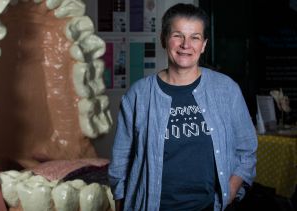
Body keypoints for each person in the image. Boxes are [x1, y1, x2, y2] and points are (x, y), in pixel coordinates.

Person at [108, 3, 257, 211]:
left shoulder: (227, 90)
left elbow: (247, 150)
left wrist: (230, 191)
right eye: (178, 35)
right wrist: (119, 204)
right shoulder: (138, 95)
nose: (186, 44)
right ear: (164, 39)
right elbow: (120, 162)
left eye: (195, 37)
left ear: (204, 44)